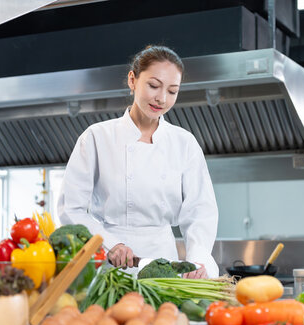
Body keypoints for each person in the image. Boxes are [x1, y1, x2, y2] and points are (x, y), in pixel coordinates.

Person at [58, 45, 219, 278]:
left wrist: (198, 259)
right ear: (132, 80)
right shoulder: (96, 137)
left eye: (172, 91)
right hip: (111, 265)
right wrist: (109, 244)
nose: (161, 99)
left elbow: (200, 211)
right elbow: (71, 208)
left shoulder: (184, 143)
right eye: (153, 86)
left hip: (165, 265)